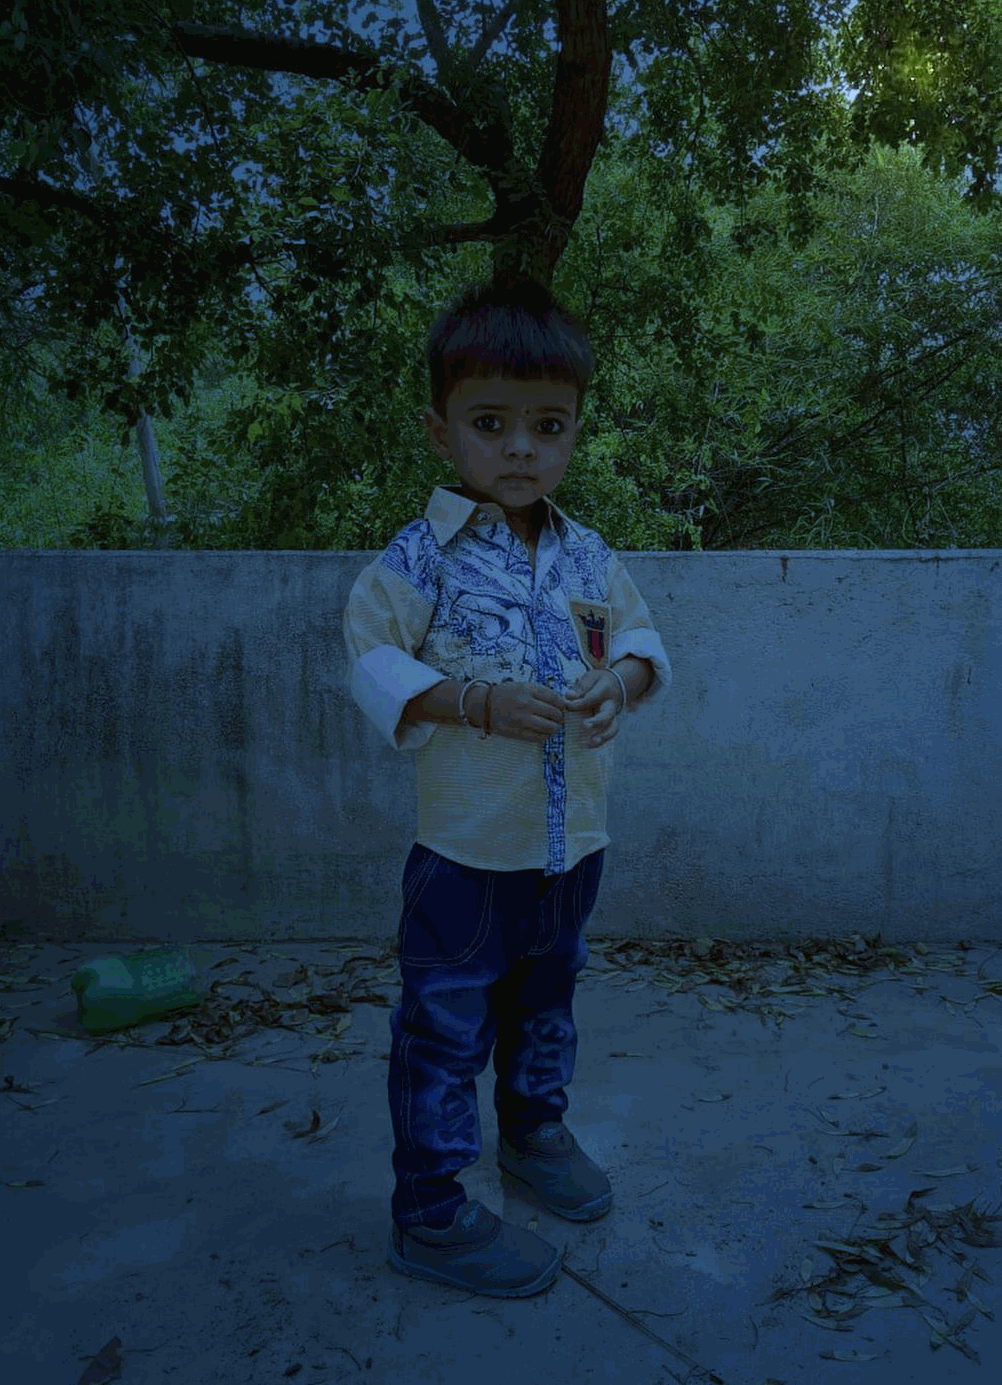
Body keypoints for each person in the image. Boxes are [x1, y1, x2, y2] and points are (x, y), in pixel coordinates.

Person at [343, 276, 673, 1297]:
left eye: (547, 426)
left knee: (547, 1004)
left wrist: (620, 683)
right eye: (491, 424)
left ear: (574, 432)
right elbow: (369, 659)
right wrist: (473, 702)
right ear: (441, 432)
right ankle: (431, 1212)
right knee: (443, 1029)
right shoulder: (417, 563)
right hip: (467, 854)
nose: (521, 448)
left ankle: (533, 1134)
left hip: (572, 849)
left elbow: (643, 643)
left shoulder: (590, 557)